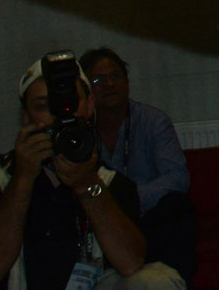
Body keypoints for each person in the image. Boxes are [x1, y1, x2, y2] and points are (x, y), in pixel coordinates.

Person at [0, 53, 184, 289]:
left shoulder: (108, 182)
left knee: (158, 280)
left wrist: (87, 184)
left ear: (89, 106)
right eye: (43, 106)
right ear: (26, 117)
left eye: (69, 104)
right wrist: (22, 180)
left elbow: (130, 262)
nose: (58, 117)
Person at [78, 48, 197, 284]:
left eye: (117, 76)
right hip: (102, 224)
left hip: (148, 217)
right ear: (85, 89)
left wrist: (129, 199)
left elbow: (177, 177)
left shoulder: (153, 121)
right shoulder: (78, 133)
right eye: (99, 80)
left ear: (127, 82)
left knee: (178, 207)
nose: (110, 84)